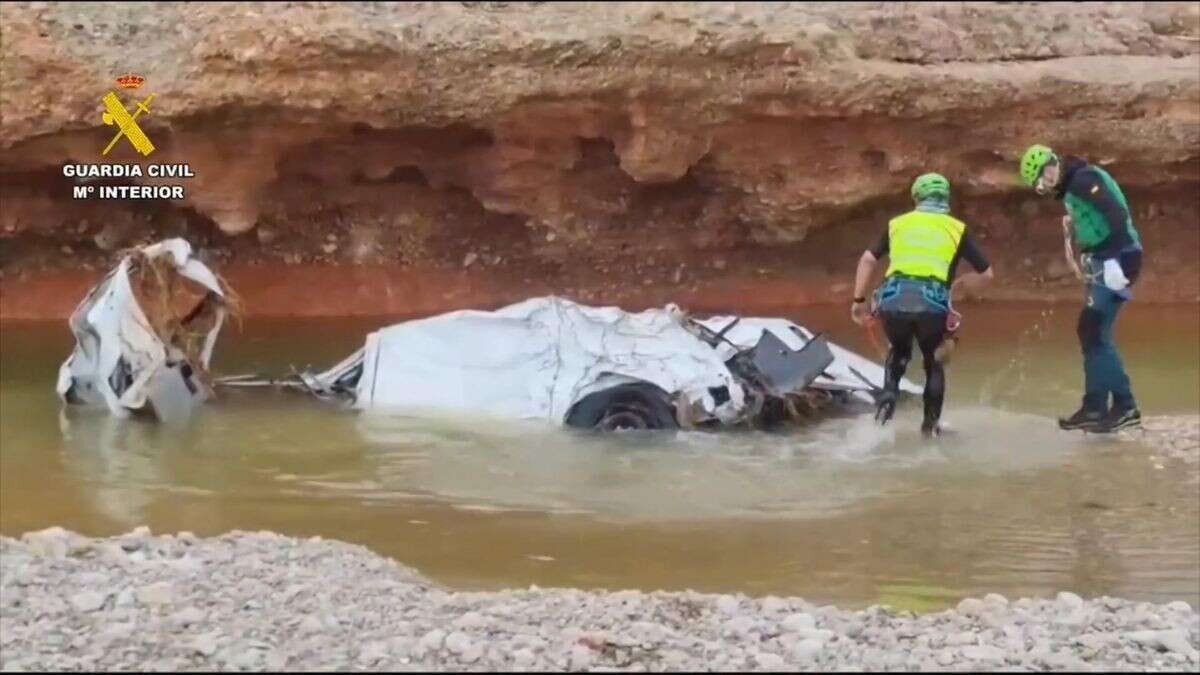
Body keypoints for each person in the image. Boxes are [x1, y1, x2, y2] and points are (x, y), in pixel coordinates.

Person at [850, 173, 994, 437]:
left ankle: (889, 396)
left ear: (916, 198)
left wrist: (859, 301)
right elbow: (987, 274)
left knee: (900, 351)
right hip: (932, 302)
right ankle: (930, 428)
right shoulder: (956, 228)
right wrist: (962, 286)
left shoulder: (897, 224)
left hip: (892, 299)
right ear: (945, 199)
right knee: (933, 362)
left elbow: (868, 259)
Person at [1019, 144, 1143, 432]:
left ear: (1051, 165)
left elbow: (1115, 213)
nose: (1045, 187)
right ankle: (1095, 406)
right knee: (1090, 332)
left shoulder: (1084, 179)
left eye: (1043, 179)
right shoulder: (1073, 186)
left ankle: (1125, 406)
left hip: (1118, 257)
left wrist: (1116, 261)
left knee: (1095, 332)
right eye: (1039, 186)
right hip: (1102, 260)